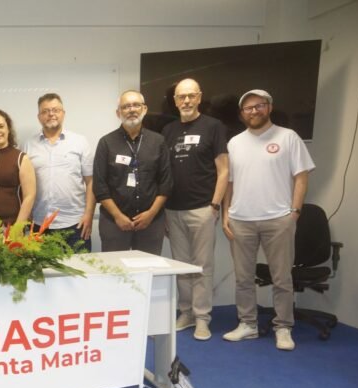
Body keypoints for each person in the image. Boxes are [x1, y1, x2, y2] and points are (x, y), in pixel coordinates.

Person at [222, 89, 313, 351]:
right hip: (241, 220)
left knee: (282, 278)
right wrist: (226, 214)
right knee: (243, 278)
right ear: (242, 113)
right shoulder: (235, 143)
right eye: (248, 108)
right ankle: (247, 324)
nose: (254, 111)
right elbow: (229, 182)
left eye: (259, 105)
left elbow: (301, 177)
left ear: (269, 107)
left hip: (278, 219)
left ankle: (283, 327)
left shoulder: (288, 137)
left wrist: (294, 213)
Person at [162, 78, 229, 341]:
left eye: (191, 96)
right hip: (173, 210)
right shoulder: (167, 130)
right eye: (182, 96)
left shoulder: (214, 126)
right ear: (175, 101)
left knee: (202, 266)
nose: (187, 101)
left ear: (199, 97)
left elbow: (224, 170)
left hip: (202, 208)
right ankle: (186, 312)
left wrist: (215, 205)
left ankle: (202, 318)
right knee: (181, 266)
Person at [93, 90, 173, 255]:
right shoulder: (106, 143)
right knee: (114, 268)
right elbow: (99, 186)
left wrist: (151, 214)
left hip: (151, 222)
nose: (131, 110)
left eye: (136, 105)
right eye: (126, 106)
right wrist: (118, 216)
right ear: (118, 113)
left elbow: (166, 183)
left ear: (144, 109)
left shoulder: (158, 141)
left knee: (148, 267)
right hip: (114, 222)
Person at [24, 93, 95, 251]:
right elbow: (24, 184)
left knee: (80, 266)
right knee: (43, 267)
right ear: (39, 117)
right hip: (39, 225)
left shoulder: (80, 142)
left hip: (75, 224)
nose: (51, 114)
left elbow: (91, 181)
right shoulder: (28, 145)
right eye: (45, 111)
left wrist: (89, 214)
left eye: (55, 110)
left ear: (63, 113)